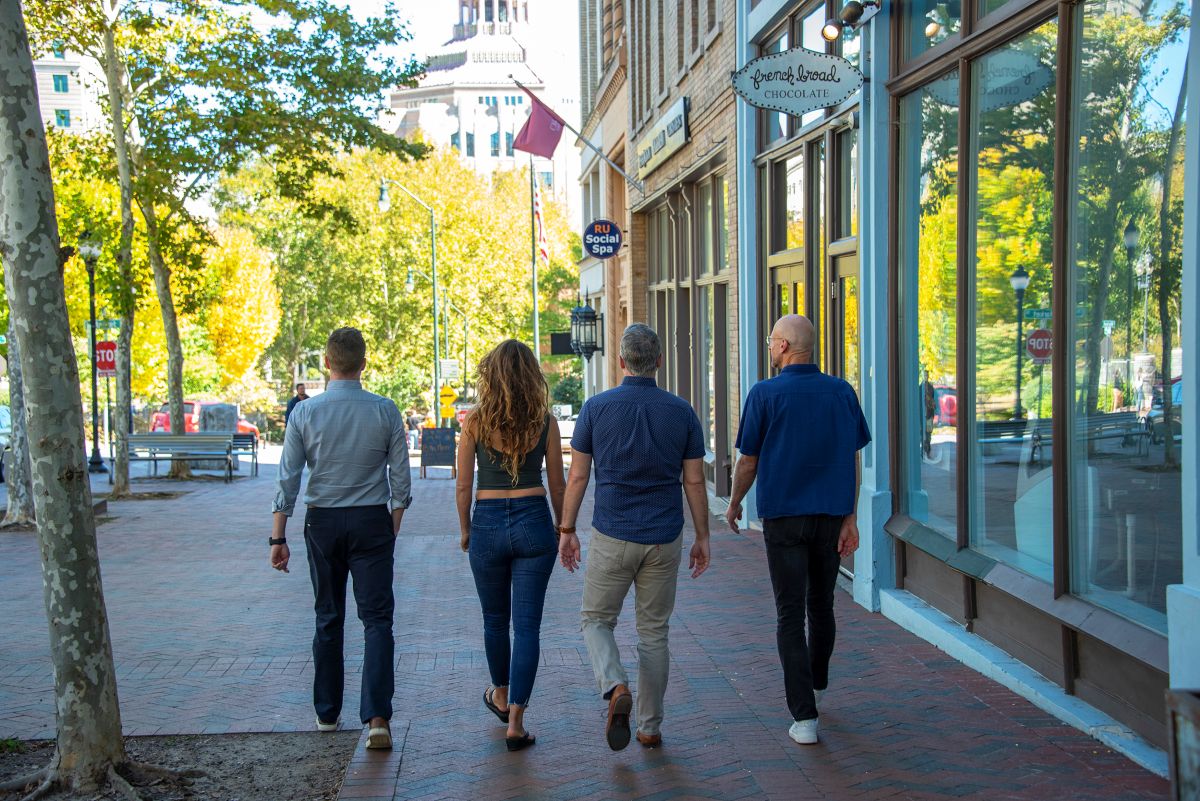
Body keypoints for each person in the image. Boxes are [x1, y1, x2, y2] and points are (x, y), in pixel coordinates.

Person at [558, 323, 711, 751]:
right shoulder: (681, 412)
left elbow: (578, 475)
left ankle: (615, 684)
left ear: (621, 362)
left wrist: (567, 530)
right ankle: (649, 726)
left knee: (595, 620)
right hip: (664, 537)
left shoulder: (596, 409)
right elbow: (695, 482)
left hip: (612, 534)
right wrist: (703, 535)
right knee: (654, 633)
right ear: (659, 362)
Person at [724, 315, 870, 746]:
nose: (769, 347)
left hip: (784, 518)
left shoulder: (764, 394)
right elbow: (853, 458)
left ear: (785, 346)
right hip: (829, 515)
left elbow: (748, 460)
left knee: (790, 612)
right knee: (821, 605)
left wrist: (734, 503)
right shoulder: (841, 392)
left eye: (772, 341)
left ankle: (804, 717)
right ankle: (817, 685)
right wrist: (850, 516)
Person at [270, 328, 411, 750]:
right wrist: (391, 527)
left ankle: (326, 713)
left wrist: (277, 536)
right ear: (363, 364)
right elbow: (400, 483)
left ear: (326, 364)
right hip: (371, 521)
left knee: (327, 616)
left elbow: (288, 478)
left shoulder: (305, 413)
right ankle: (378, 717)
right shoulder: (386, 411)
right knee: (377, 619)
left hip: (323, 523)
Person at [455, 340, 565, 752]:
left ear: (492, 376)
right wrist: (563, 527)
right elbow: (558, 484)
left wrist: (465, 529)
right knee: (528, 627)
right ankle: (516, 720)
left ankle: (499, 694)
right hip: (535, 521)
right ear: (531, 376)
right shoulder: (546, 423)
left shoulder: (476, 423)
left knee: (494, 620)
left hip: (486, 522)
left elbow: (464, 484)